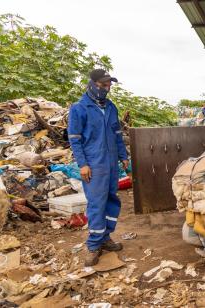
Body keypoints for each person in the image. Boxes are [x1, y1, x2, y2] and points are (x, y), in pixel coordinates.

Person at [68, 69, 129, 266]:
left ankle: (105, 237)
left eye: (109, 85)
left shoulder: (111, 107)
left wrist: (123, 156)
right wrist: (83, 164)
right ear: (93, 84)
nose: (107, 88)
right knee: (96, 203)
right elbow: (75, 140)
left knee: (111, 200)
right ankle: (93, 245)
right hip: (93, 163)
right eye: (103, 85)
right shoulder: (79, 108)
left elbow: (117, 133)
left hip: (111, 162)